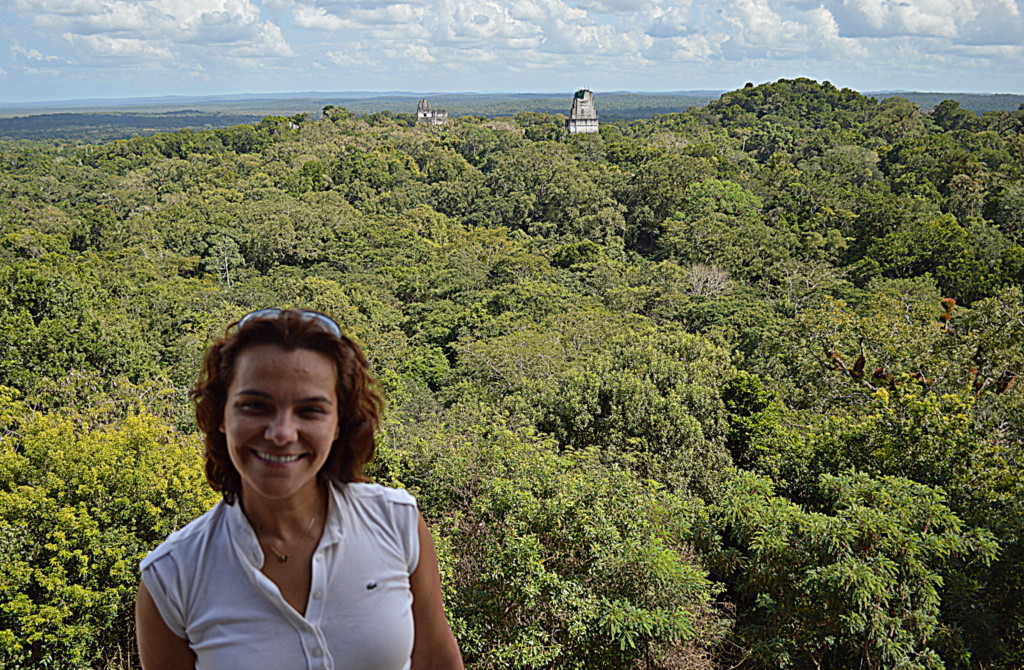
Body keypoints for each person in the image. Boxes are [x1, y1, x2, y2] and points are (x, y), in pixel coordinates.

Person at [135, 308, 464, 670]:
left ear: (339, 423)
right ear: (221, 416)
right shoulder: (173, 577)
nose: (281, 434)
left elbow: (435, 657)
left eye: (310, 410)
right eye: (255, 406)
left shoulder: (396, 523)